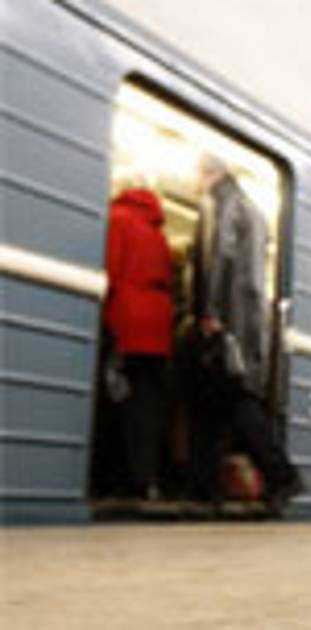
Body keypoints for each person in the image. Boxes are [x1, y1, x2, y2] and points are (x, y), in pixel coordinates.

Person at [188, 154, 302, 511]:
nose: (196, 182)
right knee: (215, 403)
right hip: (245, 321)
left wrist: (210, 312)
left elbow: (218, 257)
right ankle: (206, 489)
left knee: (231, 402)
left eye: (198, 175)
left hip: (226, 321)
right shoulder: (251, 209)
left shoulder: (222, 204)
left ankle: (281, 476)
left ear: (211, 174)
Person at [101, 188, 174, 500]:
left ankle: (116, 478)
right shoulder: (159, 234)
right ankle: (148, 480)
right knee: (147, 405)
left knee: (116, 400)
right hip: (158, 326)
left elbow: (111, 269)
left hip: (127, 321)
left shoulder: (117, 219)